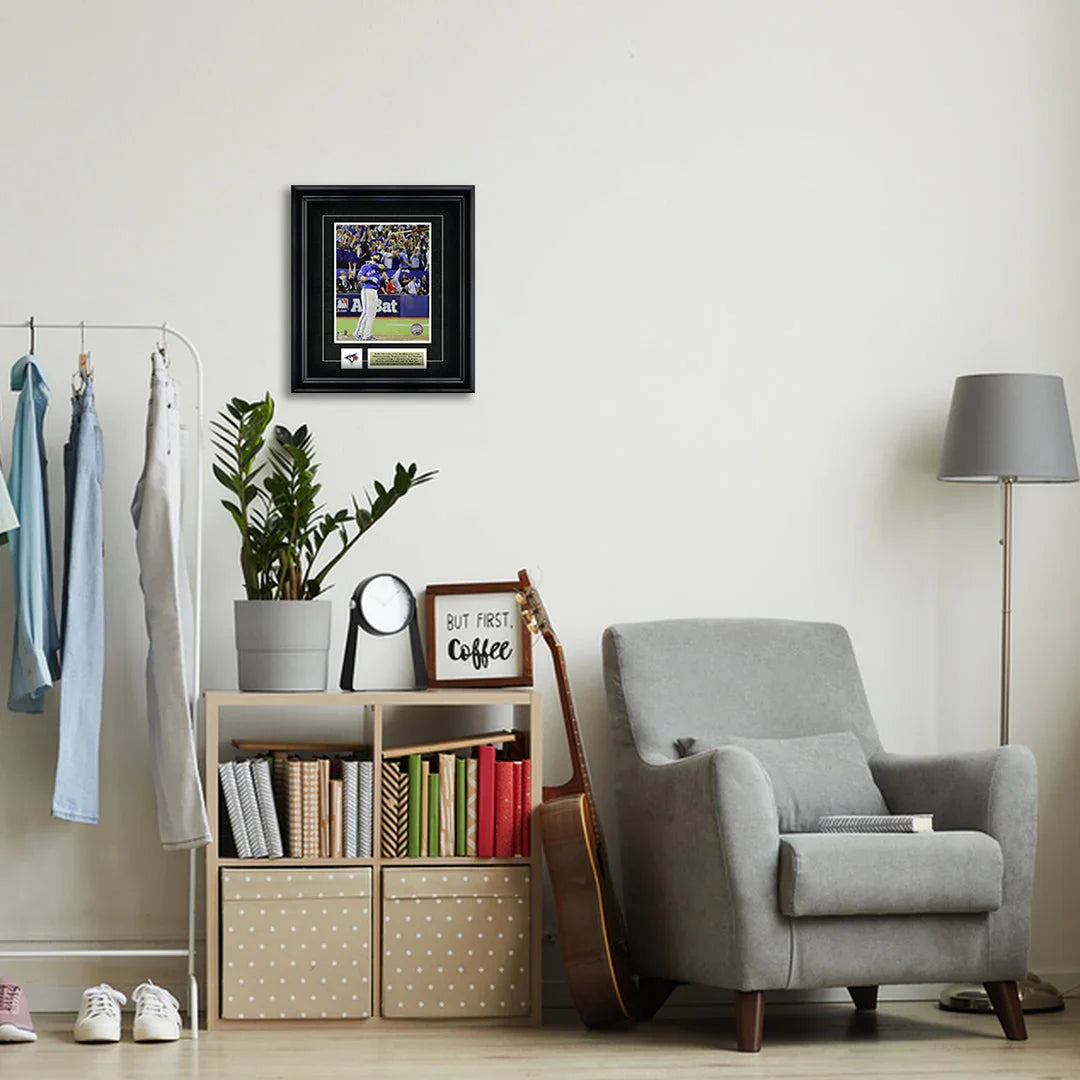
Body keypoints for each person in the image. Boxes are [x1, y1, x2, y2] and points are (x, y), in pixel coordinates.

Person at [353, 253, 385, 341]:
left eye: (379, 256)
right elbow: (359, 277)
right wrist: (369, 278)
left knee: (372, 314)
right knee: (366, 312)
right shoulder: (365, 266)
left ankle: (367, 335)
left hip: (375, 291)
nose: (378, 257)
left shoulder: (378, 267)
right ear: (371, 257)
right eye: (376, 255)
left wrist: (374, 264)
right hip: (367, 289)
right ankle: (357, 332)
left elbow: (382, 267)